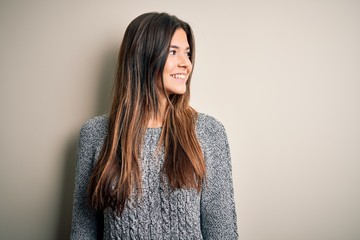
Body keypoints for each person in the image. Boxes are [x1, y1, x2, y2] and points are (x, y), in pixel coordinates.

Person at [70, 12, 238, 239]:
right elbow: (83, 231)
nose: (186, 63)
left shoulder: (208, 133)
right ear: (143, 57)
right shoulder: (95, 134)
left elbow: (222, 232)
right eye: (173, 52)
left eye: (187, 53)